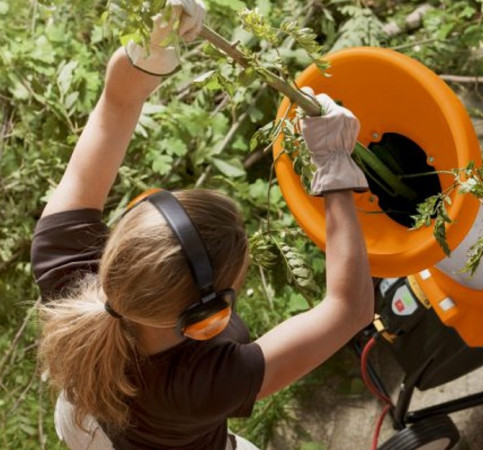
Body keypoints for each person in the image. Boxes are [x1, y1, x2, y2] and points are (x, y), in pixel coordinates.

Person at [32, 1, 373, 449]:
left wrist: (151, 49)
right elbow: (350, 309)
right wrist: (333, 161)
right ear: (206, 319)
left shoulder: (65, 267)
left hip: (85, 424)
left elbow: (116, 103)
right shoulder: (204, 385)